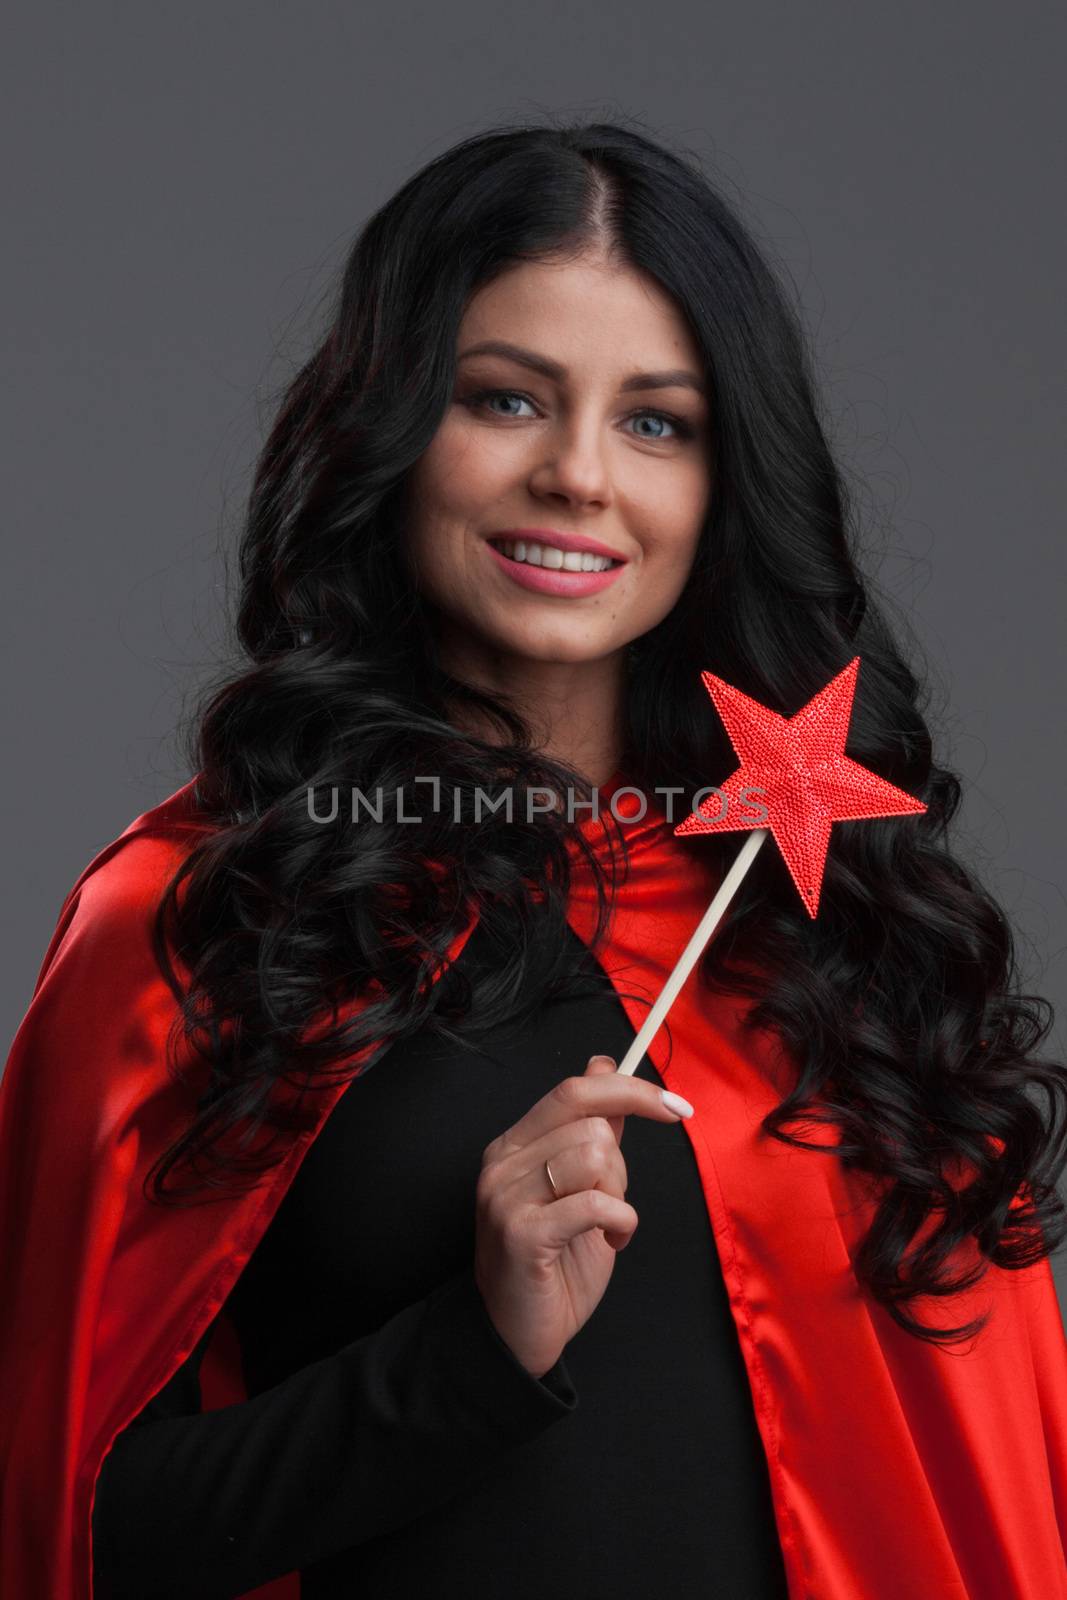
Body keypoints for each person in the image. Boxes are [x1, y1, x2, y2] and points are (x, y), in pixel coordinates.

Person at [2, 118, 1066, 1600]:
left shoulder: (834, 921)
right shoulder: (205, 922)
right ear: (392, 427)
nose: (577, 475)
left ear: (724, 480)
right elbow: (71, 1534)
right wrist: (474, 1350)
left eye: (657, 422)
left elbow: (983, 1487)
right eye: (505, 399)